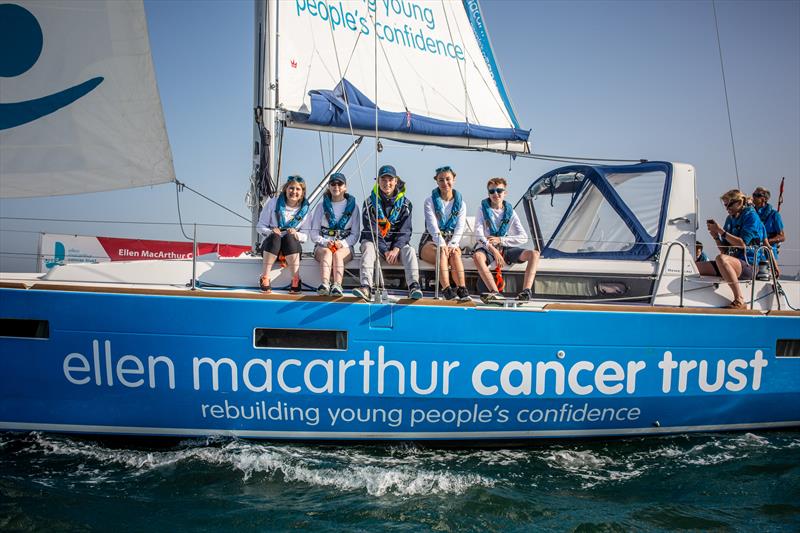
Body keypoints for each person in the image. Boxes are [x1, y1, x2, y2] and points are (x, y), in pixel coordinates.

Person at [353, 164, 422, 301]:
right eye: (383, 180)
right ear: (378, 181)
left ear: (396, 181)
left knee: (409, 251)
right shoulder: (369, 203)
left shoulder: (406, 204)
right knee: (368, 247)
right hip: (375, 243)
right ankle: (366, 287)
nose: (387, 183)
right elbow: (372, 230)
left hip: (396, 246)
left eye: (390, 180)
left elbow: (405, 230)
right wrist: (385, 250)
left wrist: (396, 249)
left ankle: (414, 286)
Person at [696, 189, 767, 309]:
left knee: (722, 259)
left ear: (740, 202)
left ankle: (739, 299)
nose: (727, 208)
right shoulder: (730, 219)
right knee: (692, 267)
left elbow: (742, 244)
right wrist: (715, 237)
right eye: (725, 205)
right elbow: (724, 250)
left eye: (729, 204)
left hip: (748, 265)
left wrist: (721, 231)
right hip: (731, 264)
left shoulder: (751, 217)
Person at [473, 177, 540, 303]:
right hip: (488, 247)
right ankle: (495, 292)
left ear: (505, 193)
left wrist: (501, 240)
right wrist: (494, 250)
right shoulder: (482, 210)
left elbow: (523, 237)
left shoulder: (511, 213)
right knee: (477, 257)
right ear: (488, 194)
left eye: (499, 191)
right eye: (492, 191)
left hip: (505, 247)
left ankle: (526, 291)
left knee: (534, 254)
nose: (495, 194)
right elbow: (478, 235)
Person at [420, 165, 470, 302]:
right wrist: (442, 244)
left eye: (448, 179)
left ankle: (462, 289)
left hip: (452, 239)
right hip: (431, 240)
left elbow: (460, 227)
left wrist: (453, 243)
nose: (445, 183)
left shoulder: (462, 204)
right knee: (442, 252)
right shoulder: (429, 201)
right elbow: (432, 226)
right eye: (441, 180)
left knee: (454, 253)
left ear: (454, 179)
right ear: (436, 181)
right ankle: (446, 289)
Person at [256, 175, 310, 294]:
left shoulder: (305, 210)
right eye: (291, 188)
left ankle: (295, 279)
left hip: (290, 247)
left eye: (298, 189)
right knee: (275, 237)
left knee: (290, 237)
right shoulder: (273, 203)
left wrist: (296, 234)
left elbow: (305, 236)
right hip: (272, 245)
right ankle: (265, 277)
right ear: (285, 189)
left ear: (302, 193)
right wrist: (271, 231)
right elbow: (259, 226)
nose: (294, 192)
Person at [310, 172, 361, 296]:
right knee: (327, 253)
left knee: (337, 255)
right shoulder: (320, 207)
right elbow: (314, 234)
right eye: (333, 183)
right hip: (323, 247)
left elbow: (355, 235)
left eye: (340, 183)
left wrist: (341, 243)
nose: (336, 186)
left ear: (345, 187)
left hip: (344, 247)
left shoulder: (354, 208)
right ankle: (325, 284)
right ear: (329, 186)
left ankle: (337, 285)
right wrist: (326, 242)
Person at [752, 186, 784, 275]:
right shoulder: (750, 213)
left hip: (768, 253)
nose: (753, 197)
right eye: (753, 194)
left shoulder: (774, 215)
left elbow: (782, 236)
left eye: (756, 195)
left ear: (763, 199)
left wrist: (767, 241)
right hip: (752, 252)